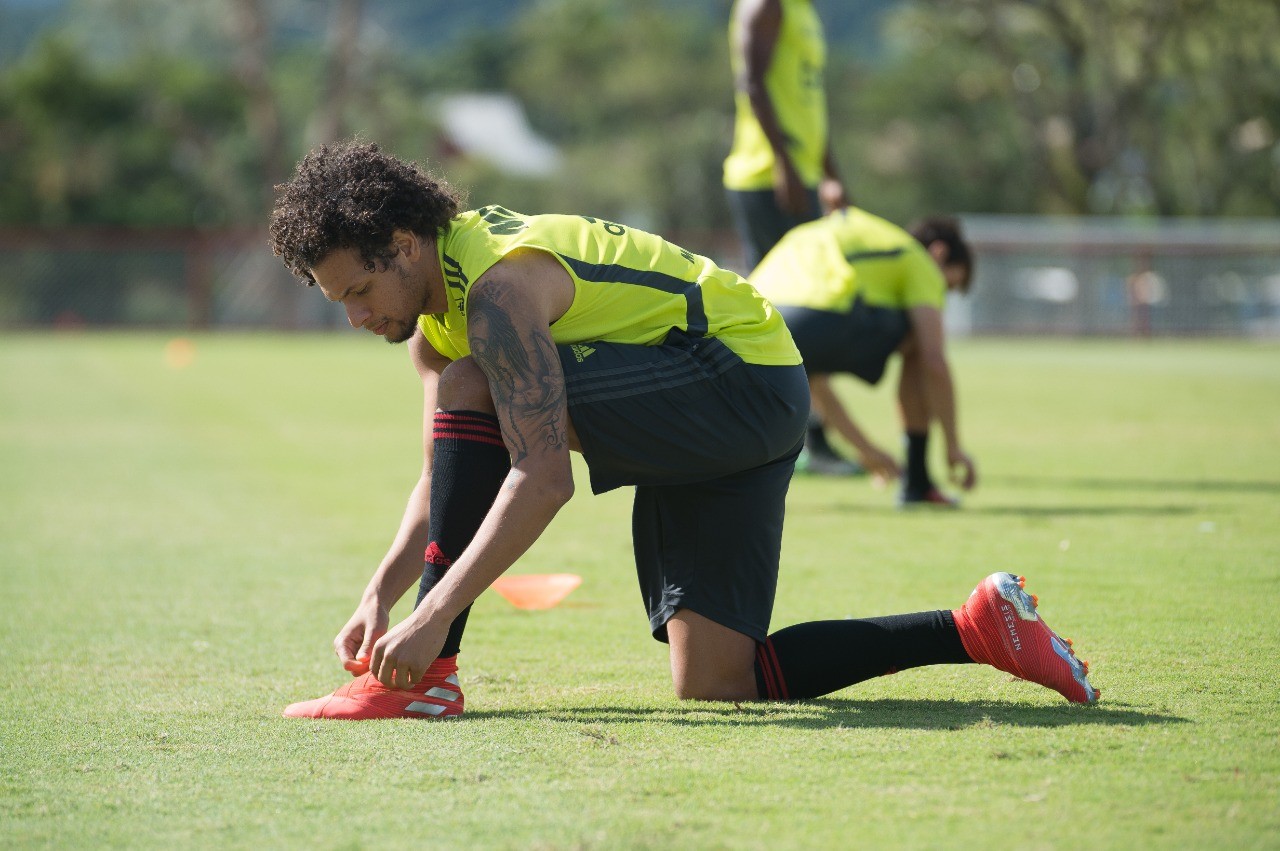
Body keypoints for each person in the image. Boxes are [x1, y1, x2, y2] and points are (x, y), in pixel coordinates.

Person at [268, 141, 1097, 720]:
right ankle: (978, 626)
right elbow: (444, 476)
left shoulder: (495, 292)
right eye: (340, 302)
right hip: (727, 403)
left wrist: (432, 619)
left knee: (471, 381)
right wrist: (380, 594)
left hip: (738, 376)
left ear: (404, 245)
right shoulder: (435, 324)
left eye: (359, 291)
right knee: (717, 678)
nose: (356, 317)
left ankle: (429, 679)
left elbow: (541, 475)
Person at [751, 207, 979, 506]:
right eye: (947, 286)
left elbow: (813, 380)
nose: (940, 298)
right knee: (918, 341)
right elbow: (934, 361)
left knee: (800, 371)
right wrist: (953, 446)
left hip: (754, 321)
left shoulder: (846, 240)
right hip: (821, 315)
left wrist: (867, 451)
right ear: (938, 253)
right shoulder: (916, 258)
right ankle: (918, 484)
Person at [723, 0, 848, 273]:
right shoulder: (767, 5)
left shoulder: (804, 9)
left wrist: (830, 174)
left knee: (810, 282)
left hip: (803, 173)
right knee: (778, 288)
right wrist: (783, 163)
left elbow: (808, 104)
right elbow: (751, 84)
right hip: (770, 176)